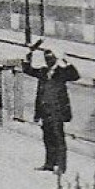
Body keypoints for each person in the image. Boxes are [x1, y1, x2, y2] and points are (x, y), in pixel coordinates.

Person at [24, 40, 81, 174]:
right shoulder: (43, 72)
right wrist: (30, 53)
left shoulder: (62, 72)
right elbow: (27, 69)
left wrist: (65, 61)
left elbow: (75, 75)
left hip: (57, 112)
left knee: (58, 139)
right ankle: (49, 164)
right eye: (46, 58)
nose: (48, 60)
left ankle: (61, 166)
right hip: (45, 111)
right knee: (47, 138)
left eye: (50, 58)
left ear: (55, 59)